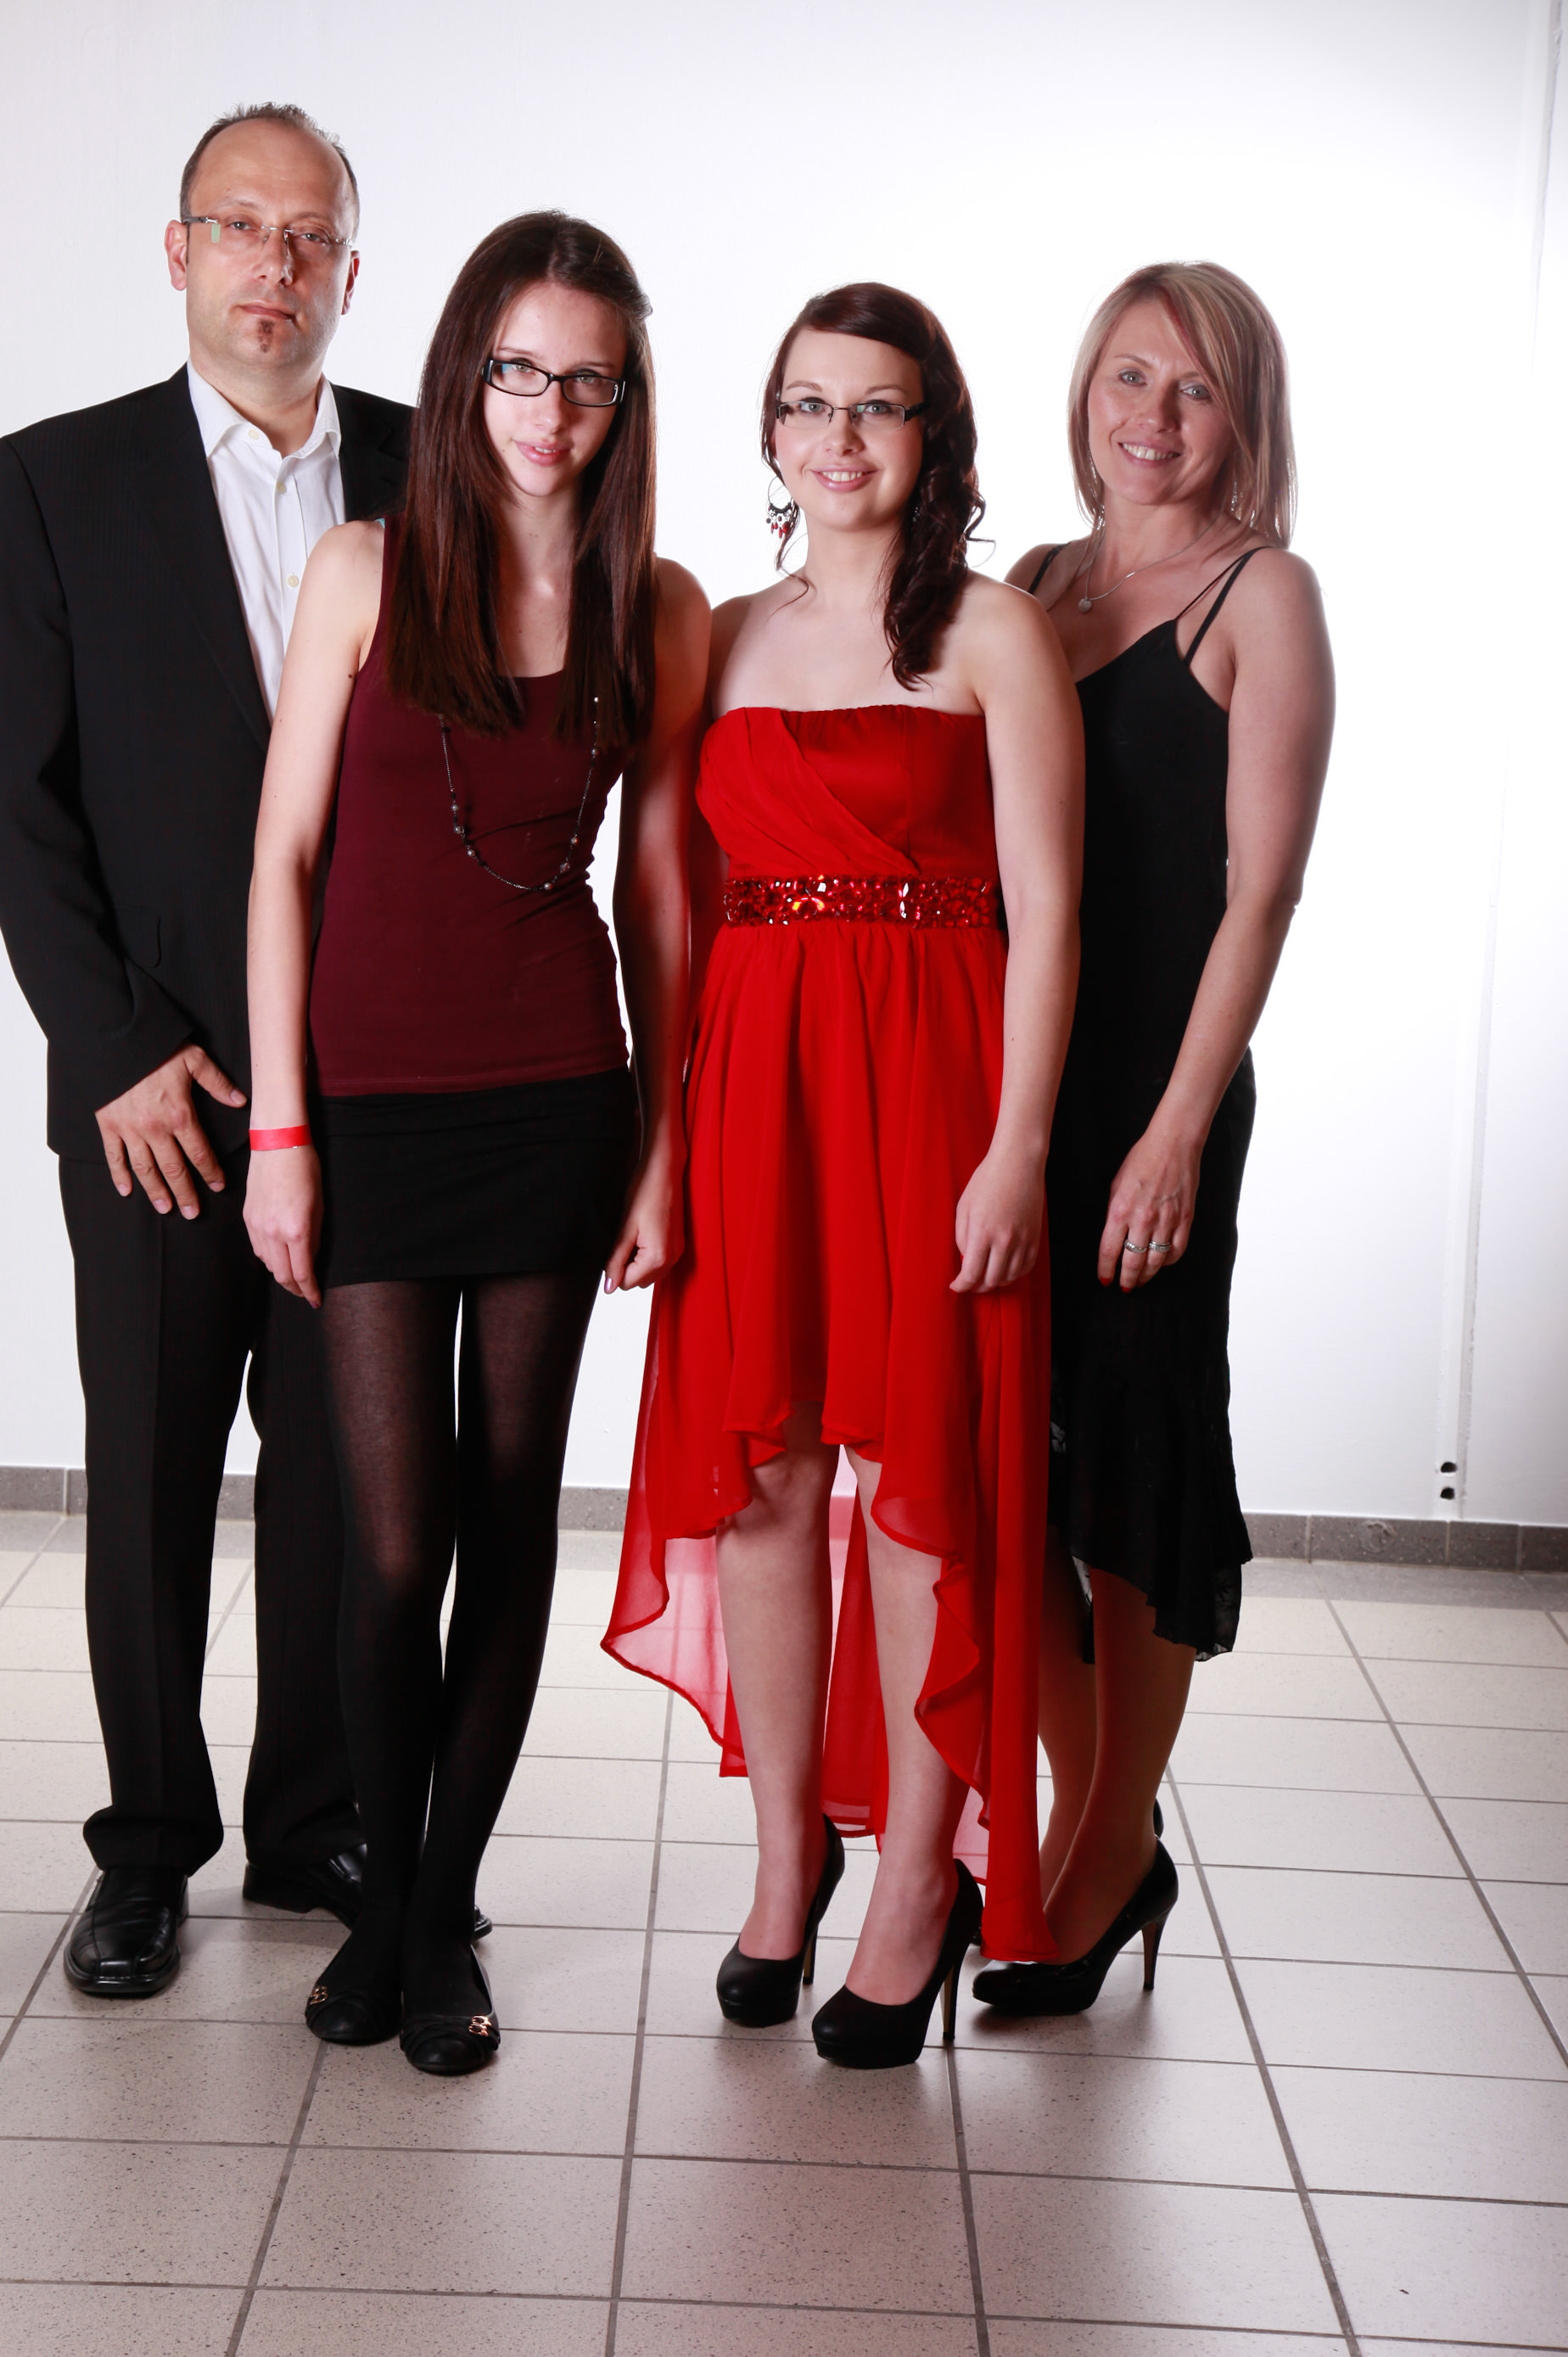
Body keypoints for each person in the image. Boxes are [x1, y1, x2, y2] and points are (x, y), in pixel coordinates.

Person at [244, 210, 708, 2074]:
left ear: (624, 402)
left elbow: (661, 898)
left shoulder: (656, 607)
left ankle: (434, 1925)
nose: (549, 410)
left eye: (588, 380)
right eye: (520, 368)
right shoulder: (362, 568)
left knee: (512, 1517)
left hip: (553, 1099)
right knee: (393, 1537)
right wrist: (282, 1131)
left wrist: (663, 1144)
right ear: (465, 373)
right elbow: (281, 863)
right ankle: (382, 1903)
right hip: (364, 1106)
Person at [606, 283, 1082, 2068]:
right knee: (762, 1484)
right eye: (807, 405)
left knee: (916, 1485)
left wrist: (1018, 1147)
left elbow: (1051, 912)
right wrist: (658, 1144)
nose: (837, 439)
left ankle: (915, 1891)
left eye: (875, 407)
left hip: (937, 1081)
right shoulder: (718, 637)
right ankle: (782, 1862)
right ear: (770, 430)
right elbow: (662, 903)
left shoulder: (994, 633)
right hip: (755, 1081)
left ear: (931, 432)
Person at [0, 104, 400, 1996]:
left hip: (372, 1082)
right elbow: (14, 792)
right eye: (239, 226)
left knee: (343, 1478)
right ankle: (148, 1844)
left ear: (349, 271)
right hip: (159, 1091)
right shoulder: (56, 480)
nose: (271, 265)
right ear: (179, 251)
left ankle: (314, 1823)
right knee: (148, 1471)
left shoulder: (431, 468)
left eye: (307, 236)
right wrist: (113, 1045)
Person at [976, 261, 1333, 2018]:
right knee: (1008, 1484)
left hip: (1153, 1098)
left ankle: (1106, 1851)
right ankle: (1099, 1836)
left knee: (1130, 1475)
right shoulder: (1033, 587)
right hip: (1012, 1093)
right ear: (1084, 391)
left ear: (1241, 414)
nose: (1153, 417)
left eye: (1193, 388)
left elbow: (1259, 893)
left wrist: (1180, 1128)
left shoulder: (1267, 597)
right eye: (1128, 376)